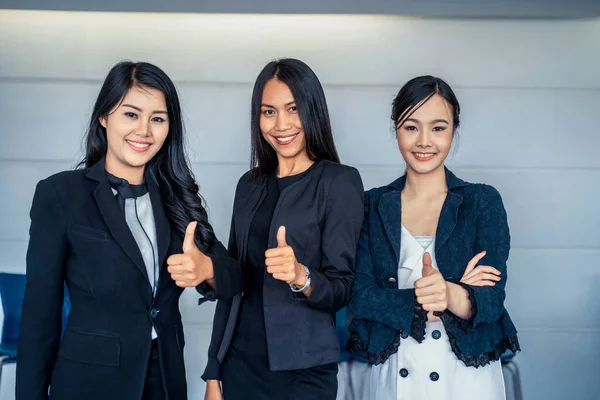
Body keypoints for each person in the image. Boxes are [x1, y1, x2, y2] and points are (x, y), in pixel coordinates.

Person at [16, 61, 240, 400]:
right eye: (131, 114)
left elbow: (236, 277)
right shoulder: (61, 195)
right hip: (89, 384)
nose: (145, 131)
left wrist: (206, 269)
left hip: (164, 380)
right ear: (104, 117)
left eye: (158, 118)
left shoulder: (176, 197)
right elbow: (39, 317)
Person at [347, 75, 520, 400]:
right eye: (411, 127)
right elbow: (360, 295)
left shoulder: (481, 201)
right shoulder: (370, 204)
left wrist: (449, 294)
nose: (424, 141)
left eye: (438, 128)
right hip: (394, 375)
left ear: (453, 130)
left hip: (467, 379)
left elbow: (493, 298)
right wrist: (429, 300)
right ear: (395, 128)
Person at [203, 58, 364, 400]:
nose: (281, 124)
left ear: (312, 110)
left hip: (303, 373)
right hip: (239, 366)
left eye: (293, 109)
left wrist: (300, 275)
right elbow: (233, 285)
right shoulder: (249, 185)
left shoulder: (338, 182)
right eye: (269, 111)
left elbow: (342, 288)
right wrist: (213, 373)